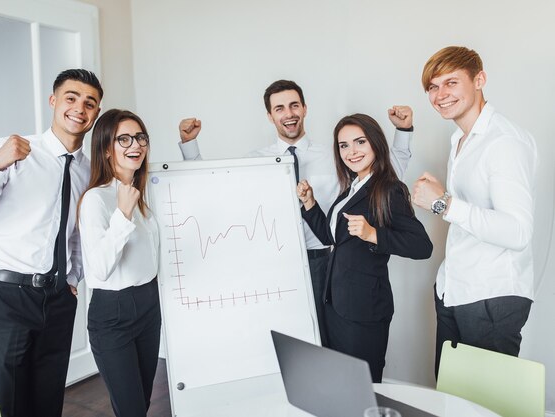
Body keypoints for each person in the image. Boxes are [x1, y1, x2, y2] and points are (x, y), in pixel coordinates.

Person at [177, 80, 414, 345]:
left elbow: (383, 176)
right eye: (279, 108)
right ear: (270, 115)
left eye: (294, 105)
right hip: (274, 266)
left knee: (328, 345)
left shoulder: (336, 155)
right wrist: (190, 146)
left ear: (304, 109)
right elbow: (214, 190)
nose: (288, 114)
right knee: (285, 342)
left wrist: (403, 131)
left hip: (322, 264)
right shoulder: (255, 161)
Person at [0, 69, 103, 417]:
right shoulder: (10, 152)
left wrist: (73, 279)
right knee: (0, 405)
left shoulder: (87, 171)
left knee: (46, 403)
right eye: (71, 98)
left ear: (96, 114)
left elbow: (77, 235)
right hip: (4, 299)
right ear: (53, 101)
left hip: (57, 301)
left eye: (90, 103)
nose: (80, 108)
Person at [412, 46, 538, 377]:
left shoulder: (503, 141)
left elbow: (518, 231)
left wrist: (443, 203)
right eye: (433, 87)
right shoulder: (461, 140)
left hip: (491, 296)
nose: (440, 95)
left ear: (479, 79)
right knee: (452, 405)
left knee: (486, 409)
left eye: (451, 82)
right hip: (456, 289)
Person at [296, 113, 432, 382]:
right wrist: (310, 204)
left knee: (363, 387)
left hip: (364, 310)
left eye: (360, 142)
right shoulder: (351, 188)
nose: (351, 151)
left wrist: (374, 234)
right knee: (341, 385)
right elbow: (331, 237)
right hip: (335, 305)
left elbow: (422, 246)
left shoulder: (389, 188)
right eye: (344, 145)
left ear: (375, 143)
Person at [78, 109, 160, 417]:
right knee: (131, 409)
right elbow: (99, 268)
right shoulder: (96, 200)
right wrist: (122, 216)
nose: (135, 145)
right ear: (106, 148)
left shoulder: (144, 193)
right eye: (123, 139)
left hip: (149, 305)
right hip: (113, 313)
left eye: (140, 137)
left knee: (144, 401)